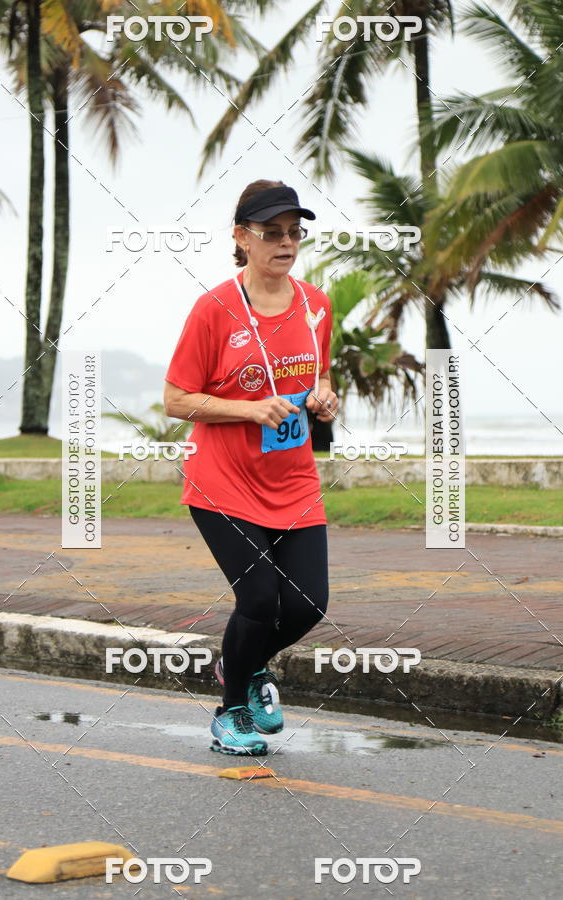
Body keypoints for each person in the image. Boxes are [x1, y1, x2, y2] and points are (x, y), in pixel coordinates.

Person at [164, 179, 338, 755]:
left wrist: (323, 397)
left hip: (292, 477)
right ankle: (230, 710)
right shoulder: (213, 309)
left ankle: (243, 665)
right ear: (242, 236)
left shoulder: (316, 305)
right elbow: (176, 399)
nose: (286, 243)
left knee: (310, 602)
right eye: (272, 232)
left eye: (294, 232)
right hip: (223, 481)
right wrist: (248, 409)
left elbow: (319, 375)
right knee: (260, 600)